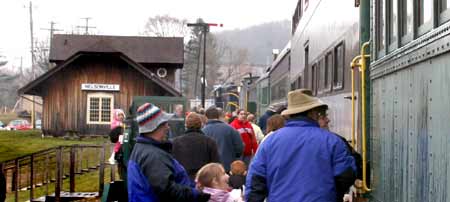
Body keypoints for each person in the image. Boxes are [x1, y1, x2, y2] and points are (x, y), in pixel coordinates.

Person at [246, 90, 356, 201]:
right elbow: (346, 175)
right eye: (319, 113)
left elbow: (256, 181)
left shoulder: (270, 142)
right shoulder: (332, 141)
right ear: (312, 113)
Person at [127, 103, 210, 202]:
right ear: (156, 126)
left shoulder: (143, 149)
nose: (168, 127)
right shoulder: (153, 155)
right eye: (165, 123)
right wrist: (196, 194)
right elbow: (167, 190)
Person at [318, 111, 363, 202]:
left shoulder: (281, 138)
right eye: (323, 117)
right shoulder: (334, 140)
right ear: (312, 118)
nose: (328, 120)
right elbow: (348, 174)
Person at [172, 112, 221, 180]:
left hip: (183, 180)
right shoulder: (209, 142)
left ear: (186, 125)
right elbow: (215, 164)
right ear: (201, 125)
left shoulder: (176, 142)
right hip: (204, 180)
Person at [203, 107, 244, 172]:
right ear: (218, 116)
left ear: (206, 117)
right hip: (228, 166)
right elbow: (240, 148)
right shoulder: (230, 129)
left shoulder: (203, 131)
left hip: (209, 169)